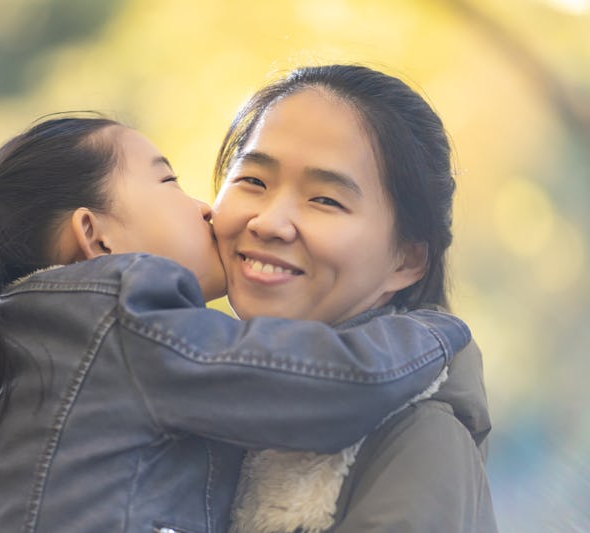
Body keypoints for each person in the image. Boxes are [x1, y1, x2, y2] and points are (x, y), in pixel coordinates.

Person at [0, 114, 471, 532]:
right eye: (169, 181)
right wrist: (436, 330)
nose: (207, 208)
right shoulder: (125, 317)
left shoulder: (35, 344)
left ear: (406, 255)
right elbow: (334, 382)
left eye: (325, 199)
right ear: (95, 235)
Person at [212, 65, 497, 532]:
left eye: (325, 200)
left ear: (406, 260)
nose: (268, 222)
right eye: (254, 181)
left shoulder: (423, 442)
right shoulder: (193, 394)